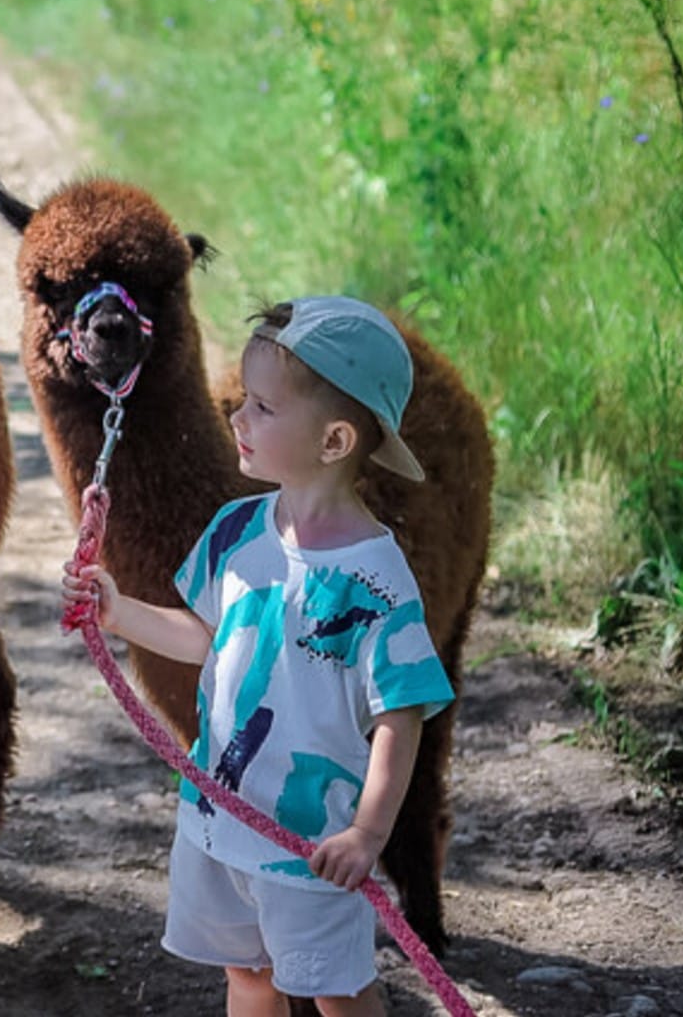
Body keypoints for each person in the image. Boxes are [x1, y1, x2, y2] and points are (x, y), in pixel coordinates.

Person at [61, 296, 455, 1016]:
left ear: (334, 441)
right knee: (247, 977)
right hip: (219, 819)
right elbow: (205, 636)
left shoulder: (376, 580)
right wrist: (119, 611)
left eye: (262, 408)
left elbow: (401, 714)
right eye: (243, 400)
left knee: (336, 989)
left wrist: (367, 832)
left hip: (311, 840)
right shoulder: (237, 529)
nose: (237, 418)